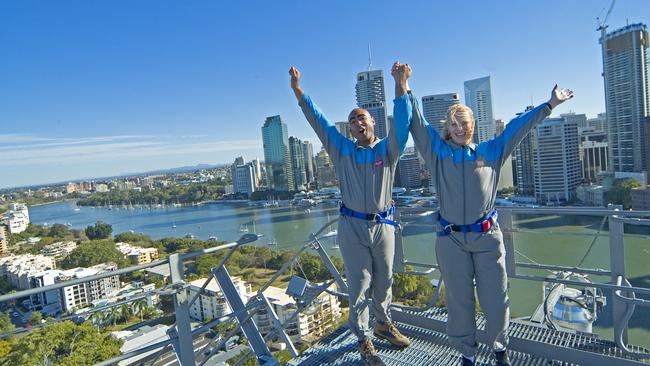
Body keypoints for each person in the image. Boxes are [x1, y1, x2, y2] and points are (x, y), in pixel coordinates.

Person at [392, 63, 573, 366]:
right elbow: (418, 126)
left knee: (496, 297)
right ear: (448, 129)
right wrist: (404, 85)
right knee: (460, 301)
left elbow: (518, 128)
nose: (460, 128)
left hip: (487, 237)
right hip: (451, 240)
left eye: (464, 123)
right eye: (454, 124)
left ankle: (500, 349)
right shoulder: (438, 154)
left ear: (472, 125)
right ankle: (467, 353)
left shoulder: (490, 151)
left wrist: (550, 105)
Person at [289, 64, 411, 366]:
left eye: (363, 117)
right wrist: (298, 91)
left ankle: (383, 324)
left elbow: (404, 123)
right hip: (352, 226)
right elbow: (319, 122)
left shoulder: (388, 150)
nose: (358, 122)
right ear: (350, 129)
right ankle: (364, 338)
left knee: (385, 280)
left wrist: (401, 85)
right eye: (353, 119)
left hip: (383, 225)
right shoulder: (342, 150)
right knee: (359, 283)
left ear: (373, 124)